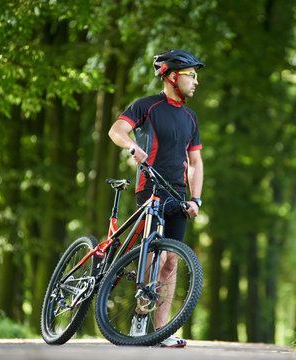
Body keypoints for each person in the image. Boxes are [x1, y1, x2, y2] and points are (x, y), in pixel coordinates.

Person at [108, 49, 204, 348]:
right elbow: (117, 130)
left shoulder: (190, 116)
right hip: (150, 188)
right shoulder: (146, 106)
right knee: (153, 253)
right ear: (173, 76)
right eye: (192, 75)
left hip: (179, 194)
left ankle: (160, 332)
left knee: (172, 260)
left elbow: (197, 163)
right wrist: (131, 147)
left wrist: (196, 199)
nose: (196, 81)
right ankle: (139, 321)